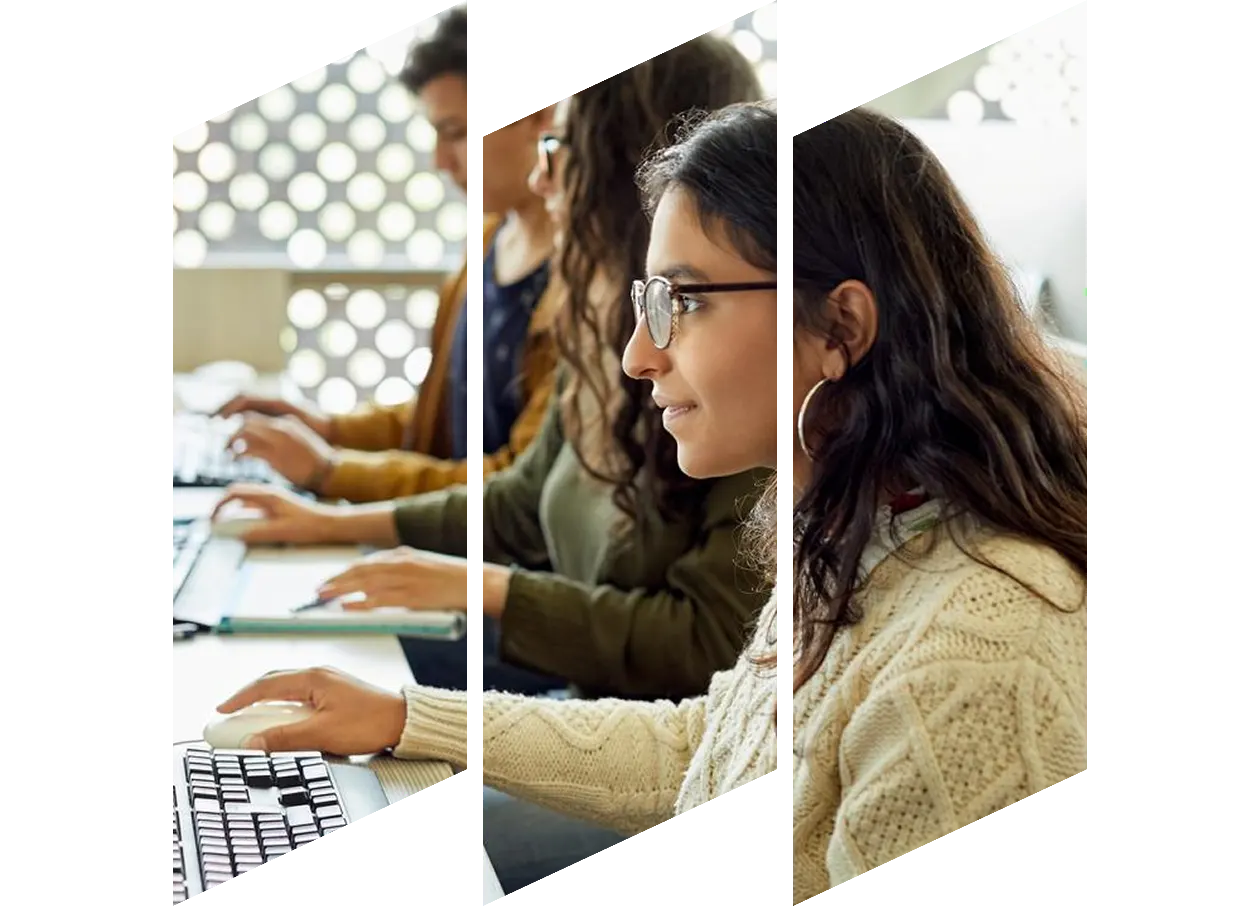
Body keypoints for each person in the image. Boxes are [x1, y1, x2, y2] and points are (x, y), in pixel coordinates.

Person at [217, 104, 1089, 899]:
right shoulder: (859, 528)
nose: (639, 354)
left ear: (840, 329)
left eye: (685, 301)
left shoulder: (977, 660)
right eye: (647, 301)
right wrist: (409, 717)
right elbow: (715, 748)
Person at [213, 34, 769, 702]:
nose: (542, 176)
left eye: (559, 148)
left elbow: (705, 653)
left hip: (633, 732)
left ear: (635, 172)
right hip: (596, 705)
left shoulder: (743, 377)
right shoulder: (598, 325)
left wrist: (474, 584)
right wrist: (331, 513)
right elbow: (514, 499)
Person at [214, 9, 563, 504]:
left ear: (540, 114)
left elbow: (518, 489)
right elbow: (438, 423)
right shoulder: (486, 246)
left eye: (460, 133)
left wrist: (332, 471)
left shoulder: (581, 284)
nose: (440, 162)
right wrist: (328, 428)